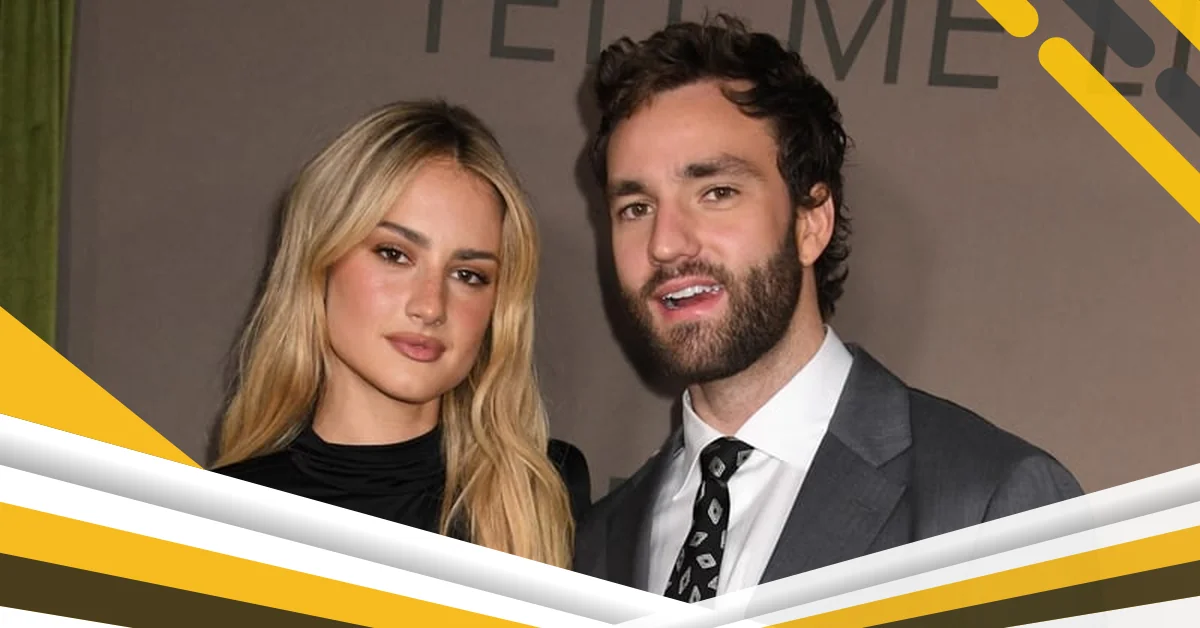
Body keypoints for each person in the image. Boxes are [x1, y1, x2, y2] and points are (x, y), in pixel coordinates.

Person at [573, 14, 1083, 601]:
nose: (665, 243)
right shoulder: (599, 542)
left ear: (811, 223)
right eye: (636, 208)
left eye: (716, 192)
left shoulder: (995, 508)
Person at [211, 100, 589, 569]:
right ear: (320, 260)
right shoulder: (223, 519)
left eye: (468, 275)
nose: (430, 306)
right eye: (394, 254)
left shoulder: (542, 494)